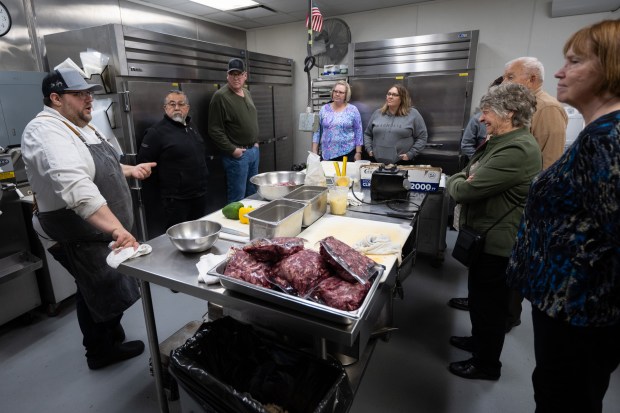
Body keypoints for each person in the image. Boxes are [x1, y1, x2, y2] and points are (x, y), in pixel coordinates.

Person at [507, 19, 620, 412]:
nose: (559, 71)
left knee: (565, 400)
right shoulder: (599, 133)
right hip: (566, 310)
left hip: (580, 316)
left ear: (612, 67)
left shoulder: (609, 139)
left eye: (573, 61)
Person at [21, 68, 157, 370]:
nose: (89, 99)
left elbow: (102, 166)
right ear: (56, 98)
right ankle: (99, 352)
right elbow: (77, 188)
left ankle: (110, 339)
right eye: (79, 94)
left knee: (103, 285)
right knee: (94, 286)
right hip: (73, 233)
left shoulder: (81, 127)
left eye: (89, 92)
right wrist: (117, 228)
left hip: (97, 232)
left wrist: (130, 170)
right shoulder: (45, 131)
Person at [446, 83, 542, 381]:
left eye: (486, 112)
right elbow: (468, 170)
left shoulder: (517, 148)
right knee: (479, 298)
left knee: (491, 308)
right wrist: (465, 176)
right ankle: (478, 343)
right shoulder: (499, 141)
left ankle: (487, 365)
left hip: (498, 245)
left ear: (509, 113)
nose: (481, 118)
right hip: (483, 239)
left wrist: (461, 180)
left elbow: (463, 189)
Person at [137, 90, 209, 229]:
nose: (177, 108)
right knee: (177, 241)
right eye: (172, 104)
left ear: (187, 108)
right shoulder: (155, 133)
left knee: (199, 234)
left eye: (181, 104)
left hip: (199, 195)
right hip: (175, 202)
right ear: (165, 108)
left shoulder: (191, 127)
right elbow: (144, 168)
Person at [208, 58, 259, 203]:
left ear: (245, 75)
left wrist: (255, 142)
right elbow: (214, 129)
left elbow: (250, 119)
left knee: (253, 195)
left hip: (253, 152)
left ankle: (250, 223)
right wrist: (232, 150)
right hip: (237, 156)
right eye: (233, 74)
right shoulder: (220, 97)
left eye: (239, 74)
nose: (236, 77)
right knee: (238, 199)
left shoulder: (246, 93)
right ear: (227, 76)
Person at [364, 84, 428, 165]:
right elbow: (367, 134)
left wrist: (410, 154)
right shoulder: (378, 113)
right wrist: (369, 149)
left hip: (402, 163)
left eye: (394, 95)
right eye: (389, 94)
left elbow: (422, 137)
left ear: (402, 98)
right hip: (377, 162)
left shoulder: (413, 114)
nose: (390, 97)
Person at [312, 80, 363, 161]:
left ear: (346, 95)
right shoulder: (324, 109)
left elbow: (358, 132)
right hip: (327, 154)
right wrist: (314, 152)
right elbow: (316, 131)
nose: (337, 94)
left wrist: (358, 153)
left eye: (341, 92)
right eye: (335, 91)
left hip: (347, 153)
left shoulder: (353, 110)